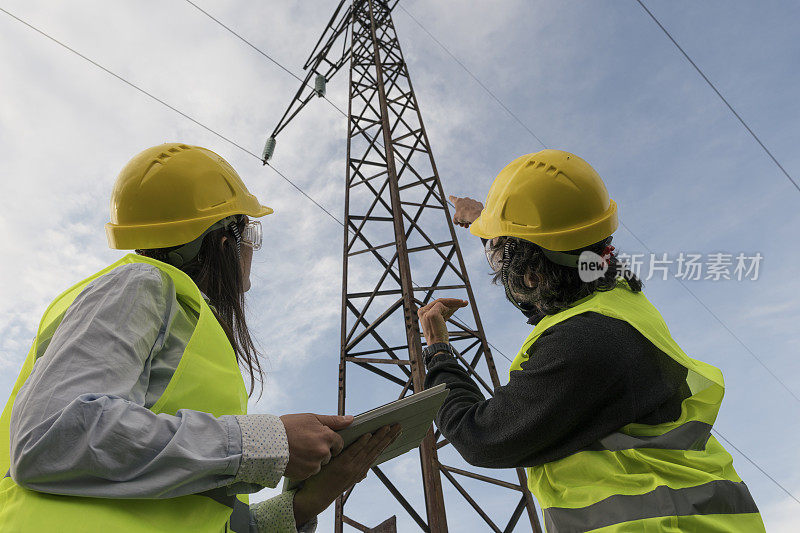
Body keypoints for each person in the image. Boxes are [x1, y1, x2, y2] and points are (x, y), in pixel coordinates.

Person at [0, 143, 400, 532]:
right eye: (250, 232)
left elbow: (199, 516)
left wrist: (308, 502)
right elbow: (51, 436)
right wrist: (268, 444)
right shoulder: (141, 284)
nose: (252, 249)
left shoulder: (190, 323)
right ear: (224, 240)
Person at [417, 149, 765, 532]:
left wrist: (438, 349)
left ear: (532, 274)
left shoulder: (579, 346)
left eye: (499, 255)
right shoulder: (618, 295)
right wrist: (490, 222)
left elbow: (478, 436)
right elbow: (553, 288)